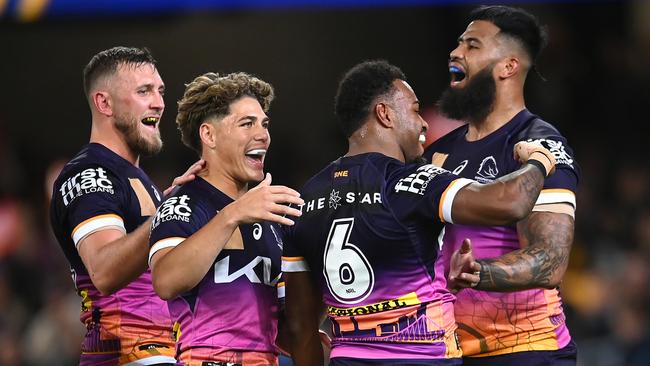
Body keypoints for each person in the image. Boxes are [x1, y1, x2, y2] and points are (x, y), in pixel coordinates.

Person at [282, 60, 557, 366]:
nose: (423, 123)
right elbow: (511, 202)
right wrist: (540, 160)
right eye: (413, 110)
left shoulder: (303, 199)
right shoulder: (410, 182)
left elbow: (299, 327)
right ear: (384, 114)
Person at [425, 5, 581, 365]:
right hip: (451, 350)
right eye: (459, 43)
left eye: (473, 45)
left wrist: (478, 273)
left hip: (527, 349)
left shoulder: (541, 145)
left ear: (508, 66)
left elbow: (550, 260)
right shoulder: (438, 153)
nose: (455, 52)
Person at [50, 46, 203, 366]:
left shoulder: (134, 177)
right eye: (144, 91)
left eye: (160, 91)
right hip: (129, 350)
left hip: (160, 350)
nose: (159, 103)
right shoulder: (91, 173)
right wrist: (171, 211)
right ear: (104, 103)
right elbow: (104, 271)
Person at [148, 72, 304, 366]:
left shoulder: (270, 213)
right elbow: (165, 281)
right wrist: (233, 213)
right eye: (247, 123)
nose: (263, 134)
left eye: (264, 123)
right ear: (209, 135)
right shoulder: (184, 202)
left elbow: (282, 321)